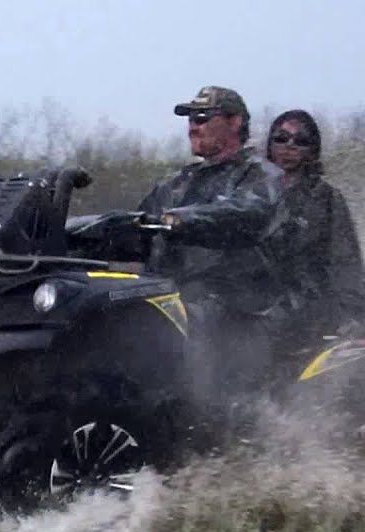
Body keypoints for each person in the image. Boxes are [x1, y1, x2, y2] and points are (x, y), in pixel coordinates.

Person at [137, 85, 286, 395]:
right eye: (191, 119)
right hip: (173, 304)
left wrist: (180, 221)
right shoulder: (176, 184)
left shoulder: (260, 176)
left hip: (235, 310)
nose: (194, 126)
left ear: (234, 123)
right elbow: (133, 226)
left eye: (203, 118)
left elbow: (247, 212)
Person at [264, 109, 365, 340]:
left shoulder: (326, 198)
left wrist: (354, 314)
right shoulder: (248, 193)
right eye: (280, 138)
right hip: (253, 298)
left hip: (306, 302)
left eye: (300, 141)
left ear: (312, 150)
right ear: (269, 144)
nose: (289, 146)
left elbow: (345, 261)